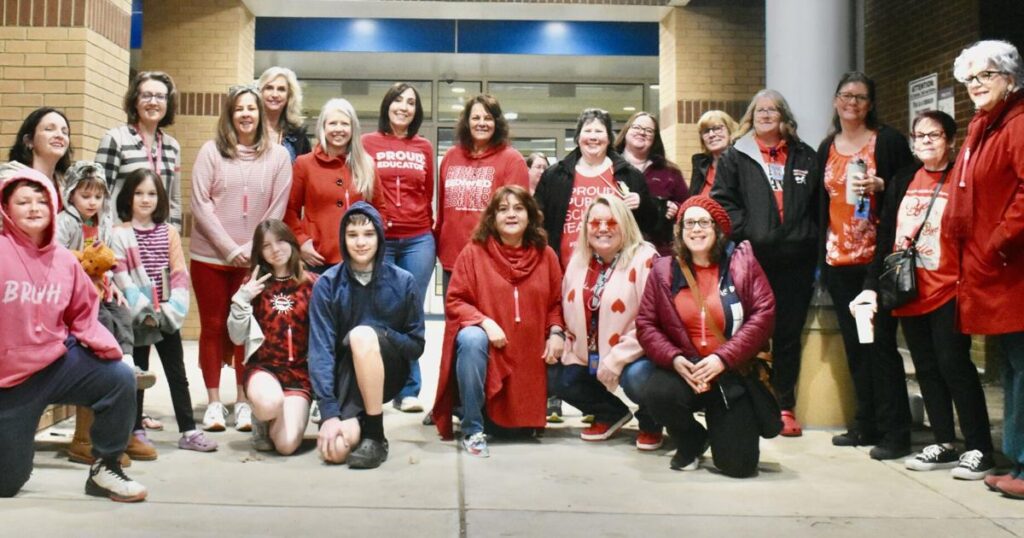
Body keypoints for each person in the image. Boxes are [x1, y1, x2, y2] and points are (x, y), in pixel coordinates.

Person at [856, 110, 994, 479]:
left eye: (934, 135)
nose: (926, 141)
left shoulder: (963, 179)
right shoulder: (903, 179)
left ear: (950, 140)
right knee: (927, 369)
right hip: (909, 291)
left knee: (955, 366)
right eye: (919, 136)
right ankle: (945, 442)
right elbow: (886, 239)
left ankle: (980, 447)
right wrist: (872, 287)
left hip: (950, 288)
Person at [0, 168, 146, 502]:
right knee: (6, 484)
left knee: (119, 378)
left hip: (55, 363)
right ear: (6, 209)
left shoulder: (64, 260)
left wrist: (110, 351)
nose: (35, 207)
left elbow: (84, 313)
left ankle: (106, 468)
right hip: (9, 381)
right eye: (23, 201)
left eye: (41, 201)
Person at [636, 195, 775, 476]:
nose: (696, 229)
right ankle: (691, 439)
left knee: (739, 467)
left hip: (729, 371)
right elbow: (646, 324)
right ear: (679, 231)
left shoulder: (742, 263)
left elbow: (764, 314)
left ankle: (725, 430)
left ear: (718, 229)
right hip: (685, 370)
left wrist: (723, 358)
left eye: (703, 222)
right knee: (658, 392)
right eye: (689, 224)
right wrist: (674, 359)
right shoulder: (663, 270)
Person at [710, 89, 820, 437]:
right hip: (752, 260)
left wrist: (805, 236)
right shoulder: (735, 155)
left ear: (784, 116)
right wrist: (748, 233)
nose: (766, 115)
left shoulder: (805, 156)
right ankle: (750, 402)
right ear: (750, 116)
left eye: (773, 109)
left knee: (787, 335)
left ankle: (784, 405)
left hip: (796, 262)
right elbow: (723, 202)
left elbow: (820, 206)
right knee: (748, 333)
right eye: (760, 110)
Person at [817, 72, 915, 460]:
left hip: (877, 259)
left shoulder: (887, 141)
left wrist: (882, 185)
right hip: (839, 260)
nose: (852, 103)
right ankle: (865, 424)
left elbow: (911, 186)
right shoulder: (828, 145)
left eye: (860, 97)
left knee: (881, 347)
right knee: (856, 348)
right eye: (846, 96)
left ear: (871, 104)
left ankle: (896, 433)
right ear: (836, 101)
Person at [943, 40, 1024, 498]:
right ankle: (1016, 460)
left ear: (1009, 78)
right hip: (994, 269)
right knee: (1013, 368)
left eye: (985, 76)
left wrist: (995, 243)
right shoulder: (983, 125)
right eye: (970, 78)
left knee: (1022, 367)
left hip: (1013, 266)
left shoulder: (1017, 124)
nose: (975, 85)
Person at [432, 186, 564, 457]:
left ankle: (526, 415)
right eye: (503, 210)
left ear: (530, 215)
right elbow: (456, 300)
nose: (511, 215)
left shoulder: (546, 255)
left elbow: (556, 303)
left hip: (531, 357)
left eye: (518, 208)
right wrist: (483, 322)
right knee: (470, 338)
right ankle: (472, 427)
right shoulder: (474, 253)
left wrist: (556, 331)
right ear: (491, 218)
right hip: (491, 355)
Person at [190, 85, 292, 433]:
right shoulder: (210, 152)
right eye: (239, 109)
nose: (246, 114)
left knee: (247, 330)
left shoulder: (278, 157)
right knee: (214, 327)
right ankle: (215, 402)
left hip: (254, 261)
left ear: (261, 114)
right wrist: (230, 249)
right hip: (210, 258)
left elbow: (277, 208)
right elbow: (200, 205)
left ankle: (244, 402)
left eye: (252, 108)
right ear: (229, 116)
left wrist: (252, 251)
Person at [308, 201, 425, 469]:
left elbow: (416, 346)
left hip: (389, 372)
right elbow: (321, 350)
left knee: (362, 335)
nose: (361, 243)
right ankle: (359, 421)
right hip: (347, 379)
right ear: (343, 238)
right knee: (335, 451)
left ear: (380, 237)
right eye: (352, 235)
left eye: (369, 234)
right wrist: (329, 413)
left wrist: (379, 334)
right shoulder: (328, 284)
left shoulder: (403, 281)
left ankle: (375, 434)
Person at [111, 169, 217, 456]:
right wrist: (143, 311)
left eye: (152, 193)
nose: (146, 199)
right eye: (139, 193)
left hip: (166, 315)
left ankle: (188, 430)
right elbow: (122, 276)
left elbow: (179, 272)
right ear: (128, 197)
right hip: (137, 318)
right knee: (138, 375)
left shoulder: (168, 232)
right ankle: (136, 430)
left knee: (176, 373)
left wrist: (170, 311)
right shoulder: (119, 234)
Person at [56, 161, 155, 464]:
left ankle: (126, 362)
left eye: (97, 197)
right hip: (74, 296)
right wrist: (86, 264)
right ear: (71, 195)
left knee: (122, 314)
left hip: (99, 288)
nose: (91, 202)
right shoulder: (65, 222)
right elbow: (58, 255)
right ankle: (87, 438)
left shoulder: (102, 222)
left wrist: (109, 282)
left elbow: (107, 262)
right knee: (96, 333)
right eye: (85, 196)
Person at [554, 195, 660, 448]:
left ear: (625, 224)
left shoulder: (646, 258)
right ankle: (610, 412)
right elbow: (565, 308)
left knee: (636, 377)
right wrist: (564, 345)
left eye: (611, 222)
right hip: (589, 353)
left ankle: (652, 420)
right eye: (595, 222)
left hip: (637, 354)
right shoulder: (578, 260)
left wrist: (617, 359)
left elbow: (652, 320)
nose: (602, 228)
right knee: (558, 377)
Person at [362, 83, 435, 414]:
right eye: (398, 100)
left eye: (411, 102)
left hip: (418, 238)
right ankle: (378, 381)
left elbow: (428, 193)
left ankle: (408, 389)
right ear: (387, 105)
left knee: (411, 313)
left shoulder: (424, 147)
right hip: (381, 241)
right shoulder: (367, 143)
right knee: (379, 310)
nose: (404, 107)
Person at [535, 108, 667, 270]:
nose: (593, 137)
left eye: (599, 131)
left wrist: (643, 204)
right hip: (564, 268)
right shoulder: (555, 175)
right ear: (578, 137)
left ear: (609, 138)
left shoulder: (628, 174)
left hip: (618, 270)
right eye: (588, 131)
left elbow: (652, 224)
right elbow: (538, 219)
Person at [228, 220, 318, 455]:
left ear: (291, 242)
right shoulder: (253, 284)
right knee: (269, 405)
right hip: (264, 370)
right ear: (260, 252)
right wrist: (241, 300)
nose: (275, 249)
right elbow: (236, 337)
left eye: (280, 241)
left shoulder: (312, 284)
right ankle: (261, 417)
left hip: (298, 376)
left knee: (286, 446)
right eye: (267, 246)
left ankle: (277, 419)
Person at [436, 94, 529, 288]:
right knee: (455, 318)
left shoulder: (512, 160)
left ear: (497, 123)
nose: (482, 123)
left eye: (488, 118)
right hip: (452, 259)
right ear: (467, 122)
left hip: (494, 262)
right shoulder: (451, 157)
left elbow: (519, 219)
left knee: (489, 319)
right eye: (476, 118)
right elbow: (442, 211)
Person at [285, 98, 382, 273]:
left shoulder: (367, 164)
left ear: (353, 129)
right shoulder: (304, 164)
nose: (339, 129)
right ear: (323, 127)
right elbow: (289, 210)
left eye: (344, 124)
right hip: (317, 258)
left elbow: (380, 209)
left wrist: (370, 242)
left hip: (359, 259)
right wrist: (301, 241)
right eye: (333, 123)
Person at [95, 71, 183, 230]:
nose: (153, 102)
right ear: (135, 101)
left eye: (160, 97)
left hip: (158, 241)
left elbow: (174, 199)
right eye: (146, 95)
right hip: (122, 238)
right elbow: (100, 193)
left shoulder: (172, 146)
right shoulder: (115, 139)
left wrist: (173, 236)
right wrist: (109, 236)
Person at [612, 111, 688, 255]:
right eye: (637, 127)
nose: (642, 133)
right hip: (615, 248)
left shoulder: (670, 172)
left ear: (655, 138)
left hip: (658, 251)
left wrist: (676, 208)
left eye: (648, 130)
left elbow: (688, 205)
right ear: (626, 131)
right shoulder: (608, 167)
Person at [2, 107, 72, 204]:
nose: (59, 135)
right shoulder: (8, 181)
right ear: (29, 141)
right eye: (49, 129)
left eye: (65, 132)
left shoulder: (69, 186)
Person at [257, 66, 312, 162]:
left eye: (281, 89)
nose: (274, 94)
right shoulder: (248, 130)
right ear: (260, 92)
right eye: (269, 88)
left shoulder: (299, 136)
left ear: (289, 96)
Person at [689, 110, 738, 197]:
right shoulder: (700, 164)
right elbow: (691, 199)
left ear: (730, 131)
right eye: (706, 131)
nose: (711, 135)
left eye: (717, 128)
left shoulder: (742, 161)